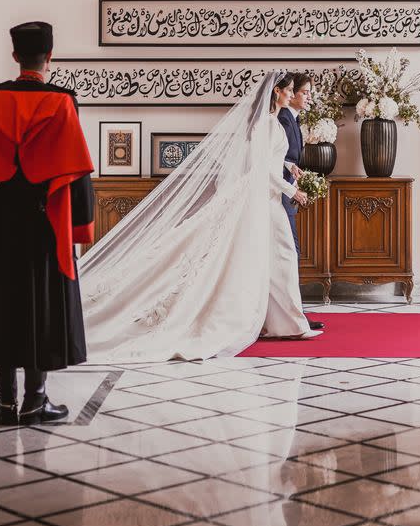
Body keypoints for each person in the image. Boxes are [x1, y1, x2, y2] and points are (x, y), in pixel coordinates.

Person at [79, 70, 321, 364]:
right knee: (281, 254)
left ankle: (286, 322)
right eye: (289, 90)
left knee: (273, 257)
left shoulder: (268, 123)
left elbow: (268, 159)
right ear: (276, 92)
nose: (292, 94)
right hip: (263, 199)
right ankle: (290, 323)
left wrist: (288, 166)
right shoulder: (269, 124)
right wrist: (291, 190)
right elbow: (262, 169)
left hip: (262, 198)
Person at [0, 21, 95, 425]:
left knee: (2, 303)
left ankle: (4, 401)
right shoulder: (62, 102)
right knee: (42, 307)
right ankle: (36, 399)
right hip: (45, 220)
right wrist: (81, 223)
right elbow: (76, 169)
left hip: (5, 218)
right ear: (49, 57)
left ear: (15, 56)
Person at [278, 72, 324, 332]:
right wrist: (290, 174)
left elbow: (285, 157)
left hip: (287, 192)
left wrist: (294, 169)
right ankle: (294, 315)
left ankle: (294, 313)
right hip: (280, 196)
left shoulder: (293, 120)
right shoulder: (283, 119)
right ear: (291, 93)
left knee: (290, 254)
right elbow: (271, 158)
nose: (309, 97)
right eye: (305, 92)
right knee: (290, 253)